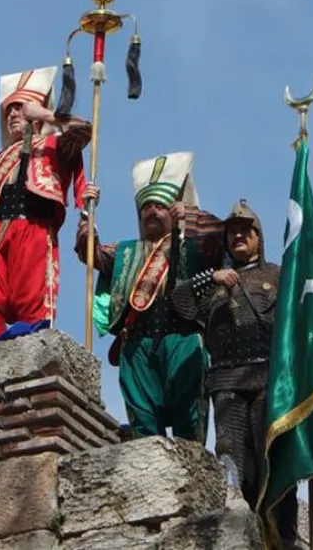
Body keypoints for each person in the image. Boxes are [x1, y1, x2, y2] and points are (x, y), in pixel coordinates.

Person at [170, 199, 299, 547]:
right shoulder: (212, 283)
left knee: (271, 455)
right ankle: (239, 526)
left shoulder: (277, 274)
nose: (239, 236)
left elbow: (300, 321)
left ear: (258, 236)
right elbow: (179, 302)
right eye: (233, 233)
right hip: (225, 379)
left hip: (267, 378)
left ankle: (284, 535)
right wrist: (209, 276)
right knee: (230, 452)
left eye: (245, 230)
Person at [74, 151, 213, 443]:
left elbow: (219, 244)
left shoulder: (191, 246)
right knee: (143, 423)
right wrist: (87, 220)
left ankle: (193, 473)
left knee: (189, 418)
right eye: (146, 207)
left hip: (181, 338)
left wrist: (192, 219)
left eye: (160, 206)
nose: (152, 212)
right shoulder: (126, 251)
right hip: (136, 342)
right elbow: (92, 254)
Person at [0, 66, 91, 337]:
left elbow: (84, 131)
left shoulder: (54, 144)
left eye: (20, 108)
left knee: (32, 301)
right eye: (9, 110)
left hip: (32, 224)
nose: (13, 114)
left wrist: (48, 115)